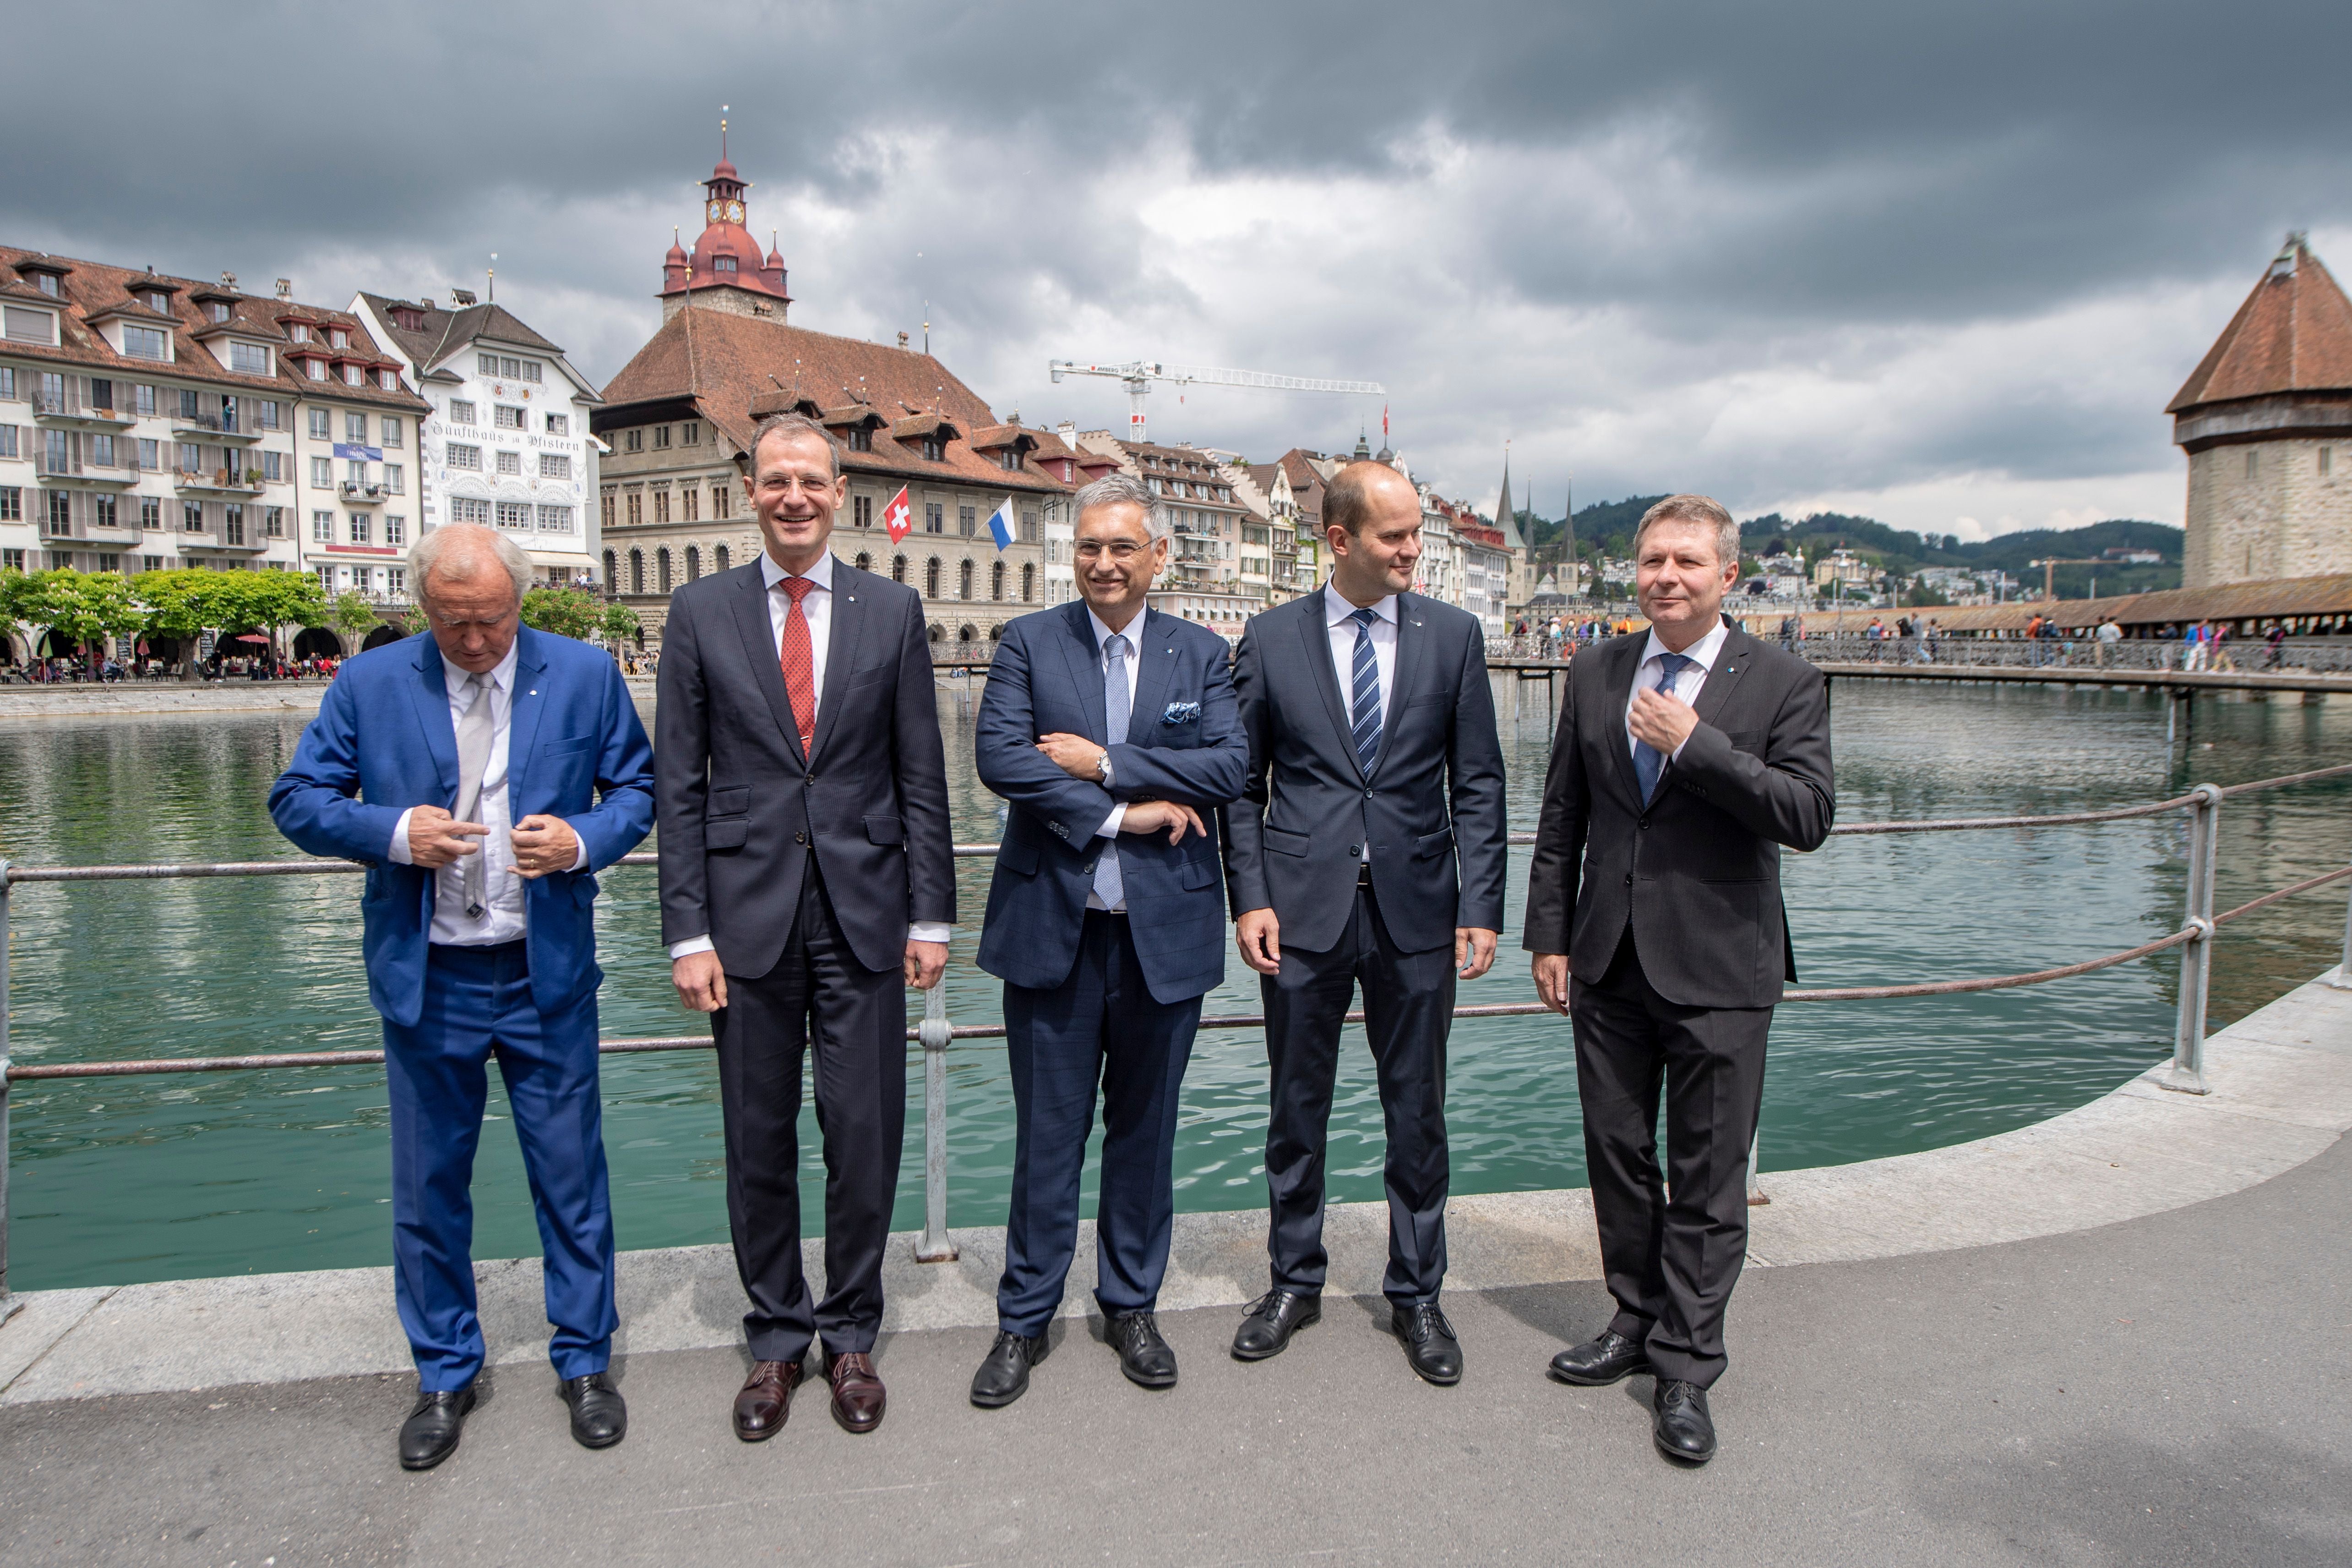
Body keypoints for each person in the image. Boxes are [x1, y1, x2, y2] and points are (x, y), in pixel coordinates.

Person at [267, 523, 655, 1470]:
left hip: (545, 970)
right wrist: (395, 830)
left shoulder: (584, 672)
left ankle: (586, 1360)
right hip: (427, 973)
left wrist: (580, 840)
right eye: (452, 622)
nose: (475, 641)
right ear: (423, 608)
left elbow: (639, 790)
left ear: (519, 601)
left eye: (490, 620)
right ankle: (445, 1369)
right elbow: (298, 798)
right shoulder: (371, 681)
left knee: (572, 1178)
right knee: (429, 1187)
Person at [655, 412, 953, 1441]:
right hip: (743, 918)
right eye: (776, 479)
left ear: (839, 493)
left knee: (864, 1133)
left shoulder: (893, 608)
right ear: (751, 489)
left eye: (811, 482)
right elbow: (678, 784)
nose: (794, 497)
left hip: (869, 908)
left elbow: (922, 771)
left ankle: (852, 1329)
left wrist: (934, 913)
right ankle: (779, 1338)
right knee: (757, 1138)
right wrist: (685, 931)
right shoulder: (699, 610)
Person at [1523, 493, 1833, 1466]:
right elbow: (1563, 815)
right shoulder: (1597, 665)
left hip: (1720, 964)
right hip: (1608, 954)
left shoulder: (1783, 679)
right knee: (1617, 1152)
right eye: (1653, 559)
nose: (1666, 577)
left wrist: (1695, 745)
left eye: (1688, 562)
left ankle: (1689, 1364)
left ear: (1726, 575)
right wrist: (1551, 935)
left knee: (1707, 1174)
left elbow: (1808, 812)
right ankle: (1633, 1314)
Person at [965, 474, 1249, 1408]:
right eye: (1090, 546)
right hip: (1055, 924)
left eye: (1123, 547)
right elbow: (1002, 758)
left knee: (1144, 1131)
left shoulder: (1203, 653)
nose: (1104, 562)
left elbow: (1229, 764)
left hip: (1162, 935)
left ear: (1157, 556)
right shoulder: (1029, 642)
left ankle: (1132, 1303)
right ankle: (1025, 1315)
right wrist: (1125, 816)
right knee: (1047, 1133)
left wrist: (1106, 763)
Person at [1223, 460, 1508, 1386]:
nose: (1413, 550)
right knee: (1295, 1108)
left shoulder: (1454, 636)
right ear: (1339, 540)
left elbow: (1479, 783)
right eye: (1394, 536)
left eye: (1418, 532)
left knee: (1417, 1110)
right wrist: (1250, 894)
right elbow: (1240, 785)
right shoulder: (1269, 639)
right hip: (1300, 911)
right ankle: (1294, 1279)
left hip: (1418, 908)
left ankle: (1417, 1290)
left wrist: (1482, 905)